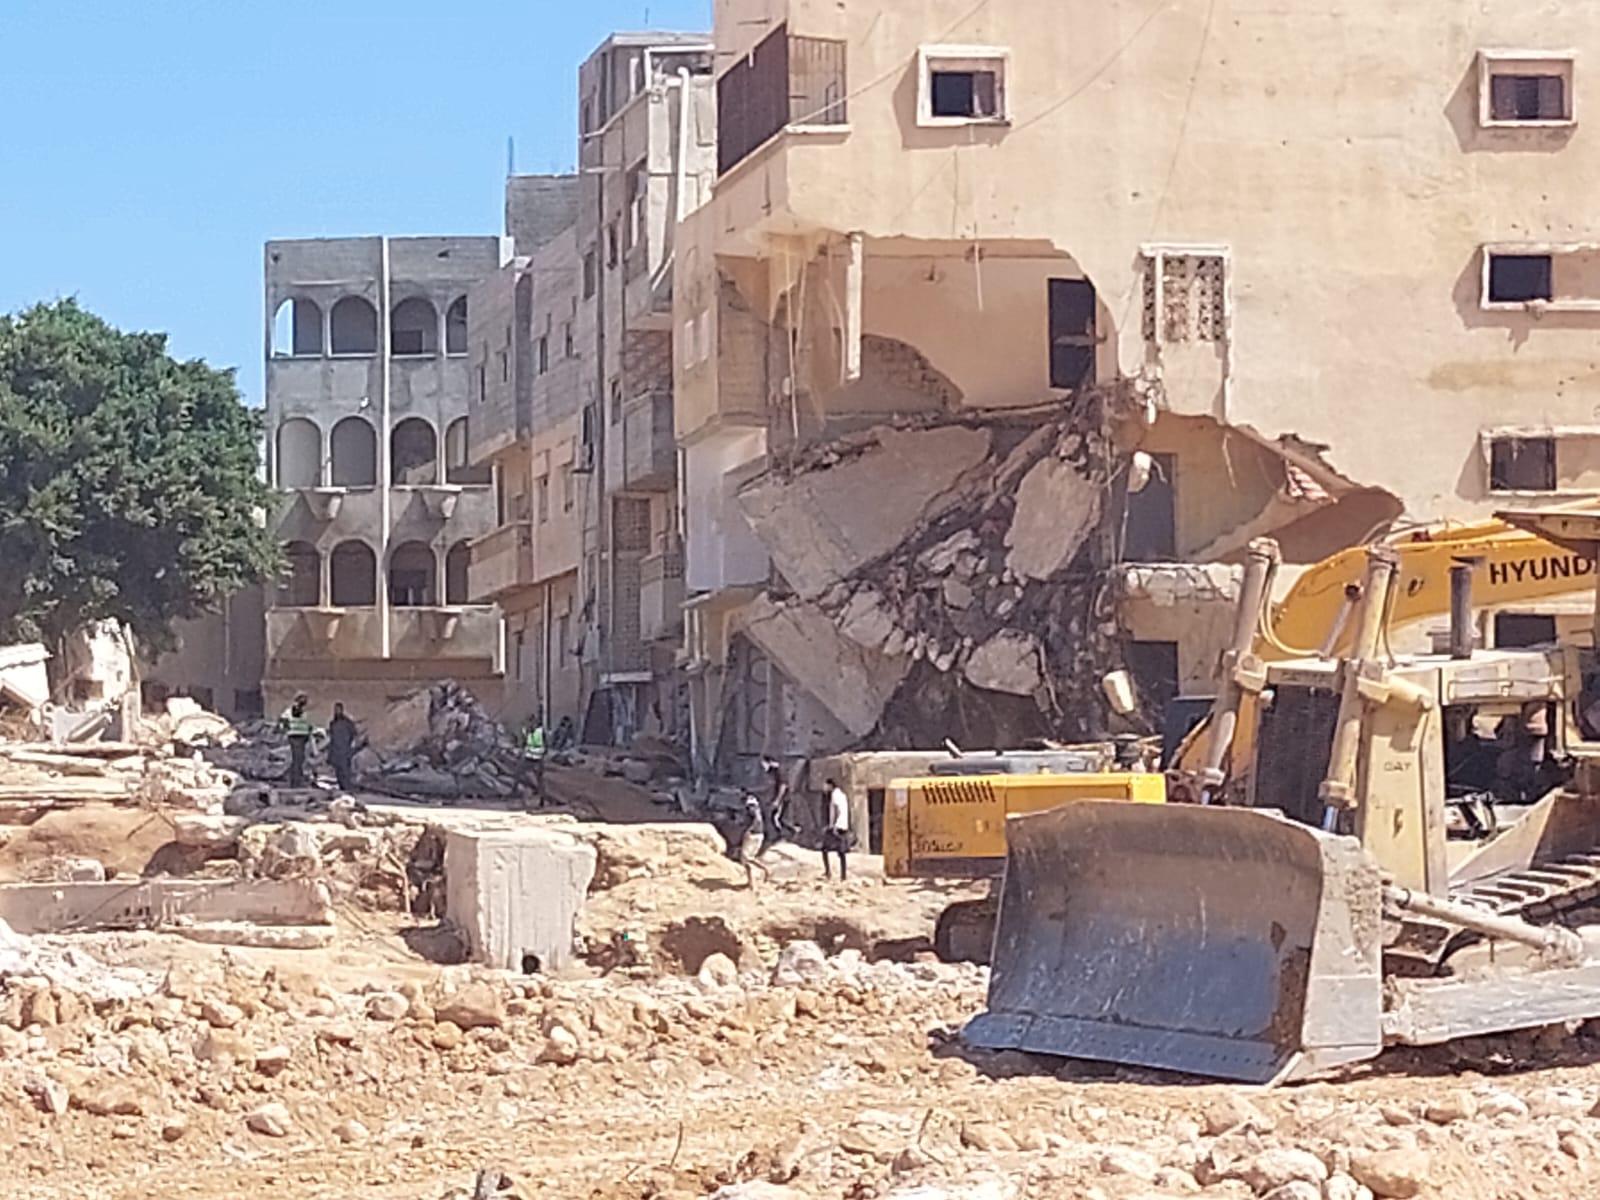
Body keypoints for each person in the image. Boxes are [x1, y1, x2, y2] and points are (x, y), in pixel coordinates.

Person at [276, 694, 317, 789]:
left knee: (300, 759)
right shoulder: (290, 712)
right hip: (295, 737)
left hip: (302, 738)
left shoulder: (303, 713)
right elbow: (283, 722)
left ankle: (297, 780)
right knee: (297, 760)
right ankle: (295, 781)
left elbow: (307, 725)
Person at [822, 776, 851, 882]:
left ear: (830, 785)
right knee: (841, 852)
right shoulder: (842, 795)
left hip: (837, 826)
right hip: (843, 825)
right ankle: (843, 876)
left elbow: (837, 810)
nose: (824, 788)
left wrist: (833, 825)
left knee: (824, 849)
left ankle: (828, 872)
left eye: (825, 785)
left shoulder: (835, 795)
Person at [326, 702, 358, 792]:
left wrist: (351, 746)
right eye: (335, 710)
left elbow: (354, 734)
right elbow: (331, 737)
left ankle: (347, 788)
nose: (337, 711)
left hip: (345, 750)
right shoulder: (332, 723)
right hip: (335, 750)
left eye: (338, 709)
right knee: (338, 771)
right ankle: (341, 788)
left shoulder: (348, 723)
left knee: (345, 771)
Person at [519, 714, 548, 808]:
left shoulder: (540, 732)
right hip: (528, 758)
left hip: (537, 759)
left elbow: (545, 746)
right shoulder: (527, 731)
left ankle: (541, 801)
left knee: (539, 781)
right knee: (522, 777)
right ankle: (524, 800)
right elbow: (524, 744)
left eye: (530, 723)